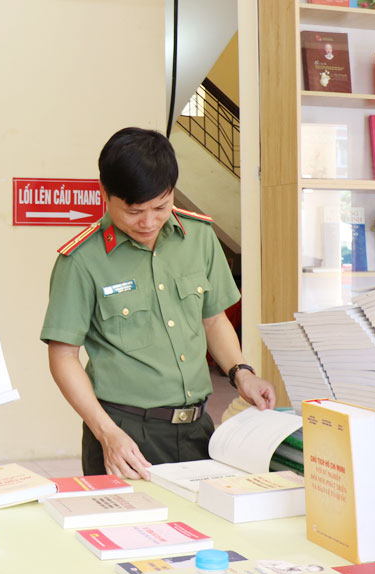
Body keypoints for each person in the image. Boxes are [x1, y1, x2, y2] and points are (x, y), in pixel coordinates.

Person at [40, 127, 276, 481]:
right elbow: (63, 356)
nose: (148, 222)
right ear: (105, 193)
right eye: (134, 212)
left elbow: (213, 320)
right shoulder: (81, 260)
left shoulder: (199, 238)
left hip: (198, 428)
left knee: (205, 533)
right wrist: (107, 433)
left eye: (161, 207)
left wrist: (241, 372)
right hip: (126, 434)